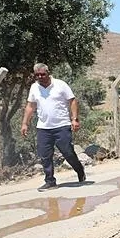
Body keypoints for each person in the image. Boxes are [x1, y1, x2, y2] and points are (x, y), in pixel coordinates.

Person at [21, 63, 86, 191]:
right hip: (43, 127)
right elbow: (30, 106)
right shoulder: (34, 87)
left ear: (48, 73)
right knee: (45, 155)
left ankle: (79, 169)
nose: (40, 77)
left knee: (67, 152)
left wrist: (74, 119)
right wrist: (25, 123)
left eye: (43, 74)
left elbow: (72, 101)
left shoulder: (60, 84)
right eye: (37, 75)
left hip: (62, 126)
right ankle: (50, 181)